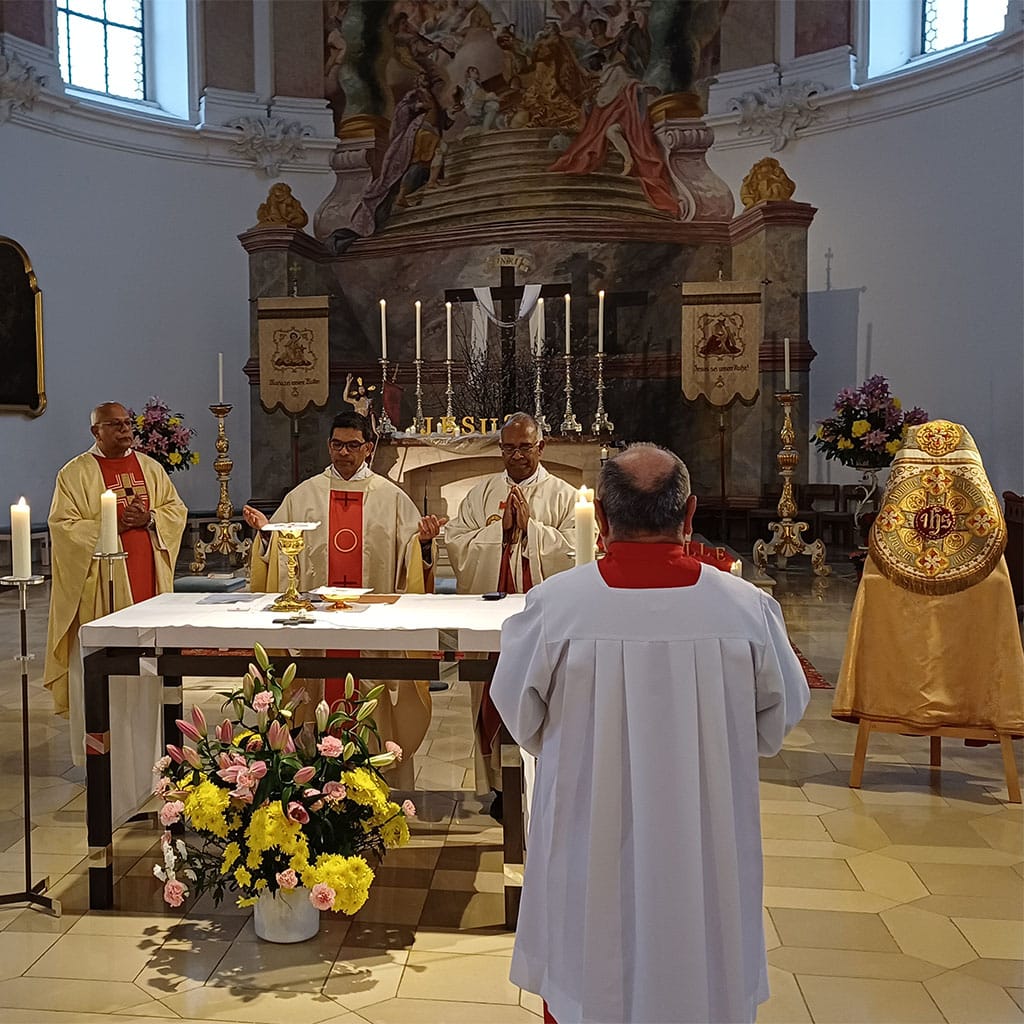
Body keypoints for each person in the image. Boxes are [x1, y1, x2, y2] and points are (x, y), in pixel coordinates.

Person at [490, 443, 809, 1024]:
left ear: (604, 522)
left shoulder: (556, 607)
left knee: (588, 963)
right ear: (689, 515)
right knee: (704, 958)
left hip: (589, 828)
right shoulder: (746, 610)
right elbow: (777, 717)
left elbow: (518, 714)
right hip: (705, 834)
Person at [244, 411, 445, 786]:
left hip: (372, 637)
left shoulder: (393, 498)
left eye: (353, 445)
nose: (344, 453)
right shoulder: (303, 496)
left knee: (370, 702)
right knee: (315, 699)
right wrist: (267, 535)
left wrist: (425, 543)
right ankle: (313, 788)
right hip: (317, 635)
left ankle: (373, 789)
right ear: (329, 446)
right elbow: (278, 554)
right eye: (337, 445)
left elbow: (412, 560)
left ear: (368, 447)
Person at [44, 401, 188, 823]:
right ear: (96, 430)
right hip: (100, 596)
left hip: (149, 590)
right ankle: (99, 760)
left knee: (148, 680)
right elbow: (63, 527)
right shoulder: (74, 474)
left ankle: (151, 760)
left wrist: (151, 518)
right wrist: (110, 526)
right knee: (102, 677)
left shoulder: (151, 468)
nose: (125, 430)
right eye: (115, 425)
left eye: (128, 423)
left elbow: (175, 511)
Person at [445, 412, 579, 814]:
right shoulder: (482, 493)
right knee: (492, 699)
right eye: (509, 447)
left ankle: (545, 784)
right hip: (494, 624)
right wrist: (499, 533)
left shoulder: (564, 495)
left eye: (525, 447)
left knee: (546, 698)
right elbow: (456, 542)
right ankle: (502, 789)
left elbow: (578, 550)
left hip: (543, 624)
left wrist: (533, 531)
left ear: (542, 447)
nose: (517, 455)